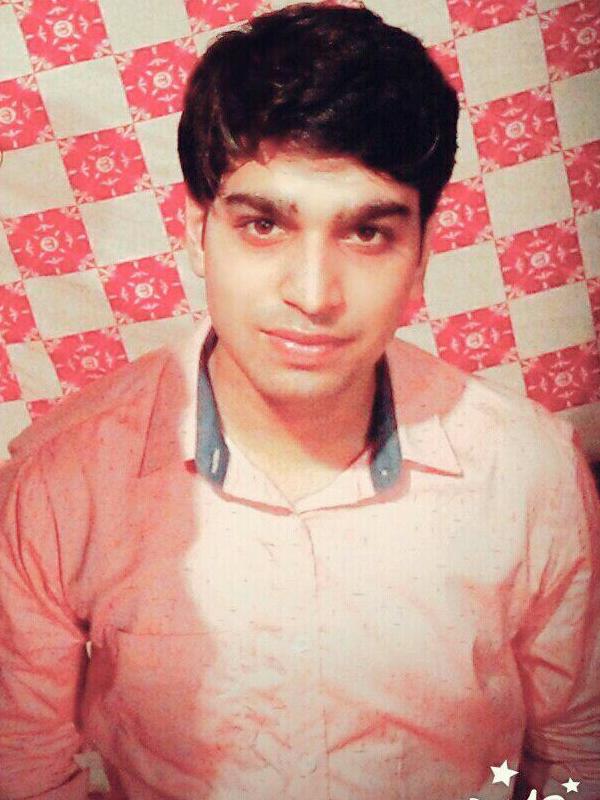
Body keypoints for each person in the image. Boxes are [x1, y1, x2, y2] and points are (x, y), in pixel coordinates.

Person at [0, 3, 598, 799]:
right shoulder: (61, 482)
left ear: (423, 250)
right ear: (197, 229)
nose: (313, 295)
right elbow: (25, 763)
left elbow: (578, 751)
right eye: (263, 225)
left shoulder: (529, 470)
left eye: (367, 233)